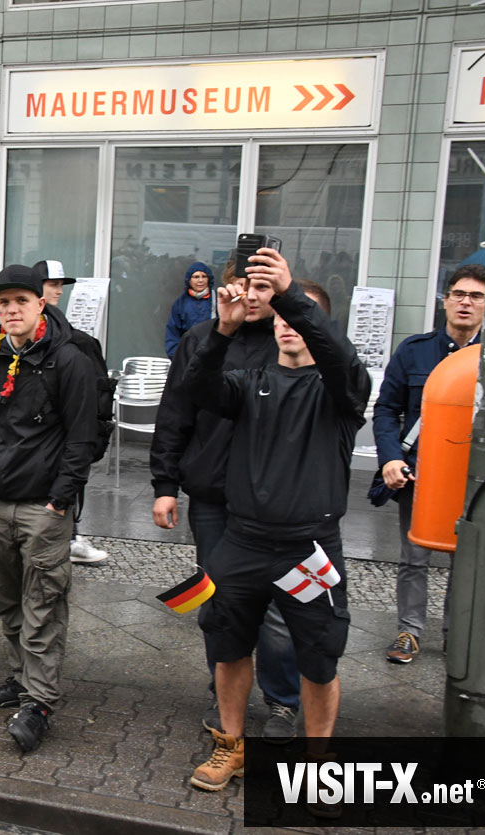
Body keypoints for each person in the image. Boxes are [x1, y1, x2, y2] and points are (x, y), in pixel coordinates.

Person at [184, 248, 369, 792]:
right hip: (242, 542)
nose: (288, 324)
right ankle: (231, 746)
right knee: (228, 643)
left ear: (319, 325)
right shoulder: (251, 380)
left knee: (318, 658)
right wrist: (222, 329)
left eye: (299, 315)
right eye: (282, 316)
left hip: (308, 550)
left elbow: (340, 360)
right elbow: (198, 388)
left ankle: (317, 767)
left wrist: (289, 294)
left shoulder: (341, 391)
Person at [149, 260, 306, 744]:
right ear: (226, 289)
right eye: (243, 286)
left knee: (280, 610)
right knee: (221, 604)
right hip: (214, 496)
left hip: (275, 502)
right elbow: (175, 411)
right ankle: (226, 693)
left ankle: (282, 700)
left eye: (263, 287)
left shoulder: (290, 339)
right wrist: (164, 485)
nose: (252, 296)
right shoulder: (201, 338)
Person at [0, 265, 97, 754]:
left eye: (20, 300)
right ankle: (21, 678)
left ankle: (39, 703)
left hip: (44, 506)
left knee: (43, 601)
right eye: (3, 303)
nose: (11, 310)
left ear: (42, 302)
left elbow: (83, 436)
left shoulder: (70, 359)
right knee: (6, 598)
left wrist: (60, 498)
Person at [373, 264, 485, 664]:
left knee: (468, 561)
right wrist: (390, 457)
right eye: (459, 294)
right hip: (421, 473)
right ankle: (409, 631)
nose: (465, 302)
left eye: (475, 296)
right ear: (445, 300)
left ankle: (458, 636)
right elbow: (386, 409)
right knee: (413, 556)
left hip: (477, 481)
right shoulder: (415, 350)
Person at [34, 258, 111, 566]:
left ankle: (73, 536)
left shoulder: (76, 339)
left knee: (69, 478)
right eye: (52, 285)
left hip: (70, 431)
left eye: (59, 286)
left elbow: (98, 395)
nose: (58, 292)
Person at [165, 262, 215, 359]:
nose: (200, 280)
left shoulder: (217, 300)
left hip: (212, 355)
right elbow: (173, 332)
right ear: (189, 280)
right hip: (187, 356)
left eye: (204, 276)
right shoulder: (181, 303)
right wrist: (177, 357)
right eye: (196, 277)